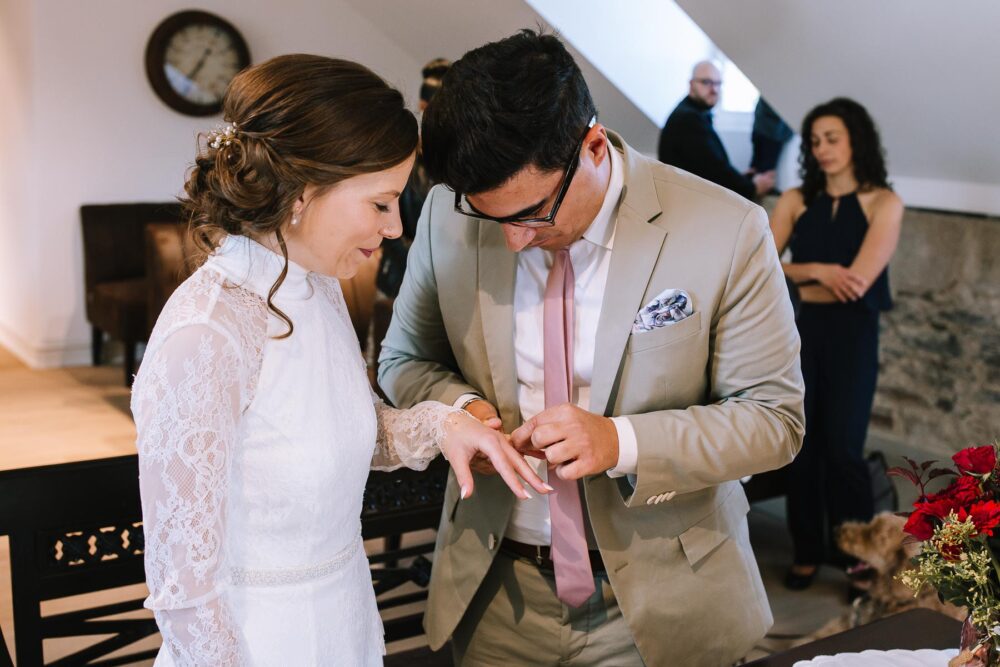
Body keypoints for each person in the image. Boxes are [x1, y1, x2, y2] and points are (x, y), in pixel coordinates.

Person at [378, 30, 805, 666]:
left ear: (594, 147)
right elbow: (403, 360)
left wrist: (619, 441)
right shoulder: (447, 214)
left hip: (661, 597)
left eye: (532, 214)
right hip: (496, 588)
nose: (514, 241)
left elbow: (773, 420)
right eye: (491, 218)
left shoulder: (726, 228)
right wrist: (461, 410)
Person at [130, 54, 548, 666]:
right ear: (302, 194)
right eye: (380, 204)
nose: (396, 227)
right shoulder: (206, 335)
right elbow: (184, 593)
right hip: (260, 644)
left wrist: (444, 424)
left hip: (344, 621)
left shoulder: (318, 286)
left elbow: (348, 430)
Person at [768, 97, 902, 594]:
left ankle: (860, 561)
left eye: (832, 139)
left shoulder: (884, 202)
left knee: (844, 449)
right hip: (799, 333)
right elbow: (760, 263)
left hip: (852, 336)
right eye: (814, 141)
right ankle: (806, 550)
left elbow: (858, 284)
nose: (822, 149)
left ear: (856, 141)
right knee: (801, 446)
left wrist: (797, 277)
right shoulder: (796, 199)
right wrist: (819, 272)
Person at [376, 57, 451, 298]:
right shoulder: (402, 158)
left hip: (443, 283)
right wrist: (420, 264)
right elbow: (384, 220)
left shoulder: (457, 165)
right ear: (422, 106)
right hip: (398, 280)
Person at [658, 60, 775, 199]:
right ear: (691, 84)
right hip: (686, 201)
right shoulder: (688, 119)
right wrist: (752, 187)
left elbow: (707, 167)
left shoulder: (694, 113)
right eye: (706, 82)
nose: (714, 90)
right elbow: (715, 171)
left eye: (718, 83)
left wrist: (742, 179)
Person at [750, 97, 794, 175]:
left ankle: (750, 181)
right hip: (769, 134)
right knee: (766, 173)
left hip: (760, 129)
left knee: (756, 168)